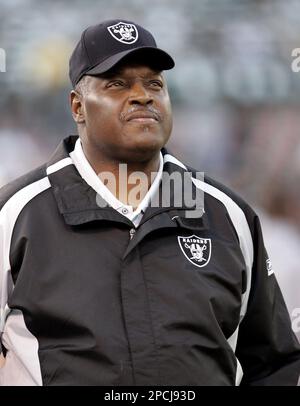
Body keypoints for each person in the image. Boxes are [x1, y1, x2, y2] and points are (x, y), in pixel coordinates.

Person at [0, 19, 299, 386]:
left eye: (154, 83)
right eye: (118, 84)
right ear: (78, 107)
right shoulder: (17, 213)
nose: (143, 95)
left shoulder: (226, 214)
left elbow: (273, 363)